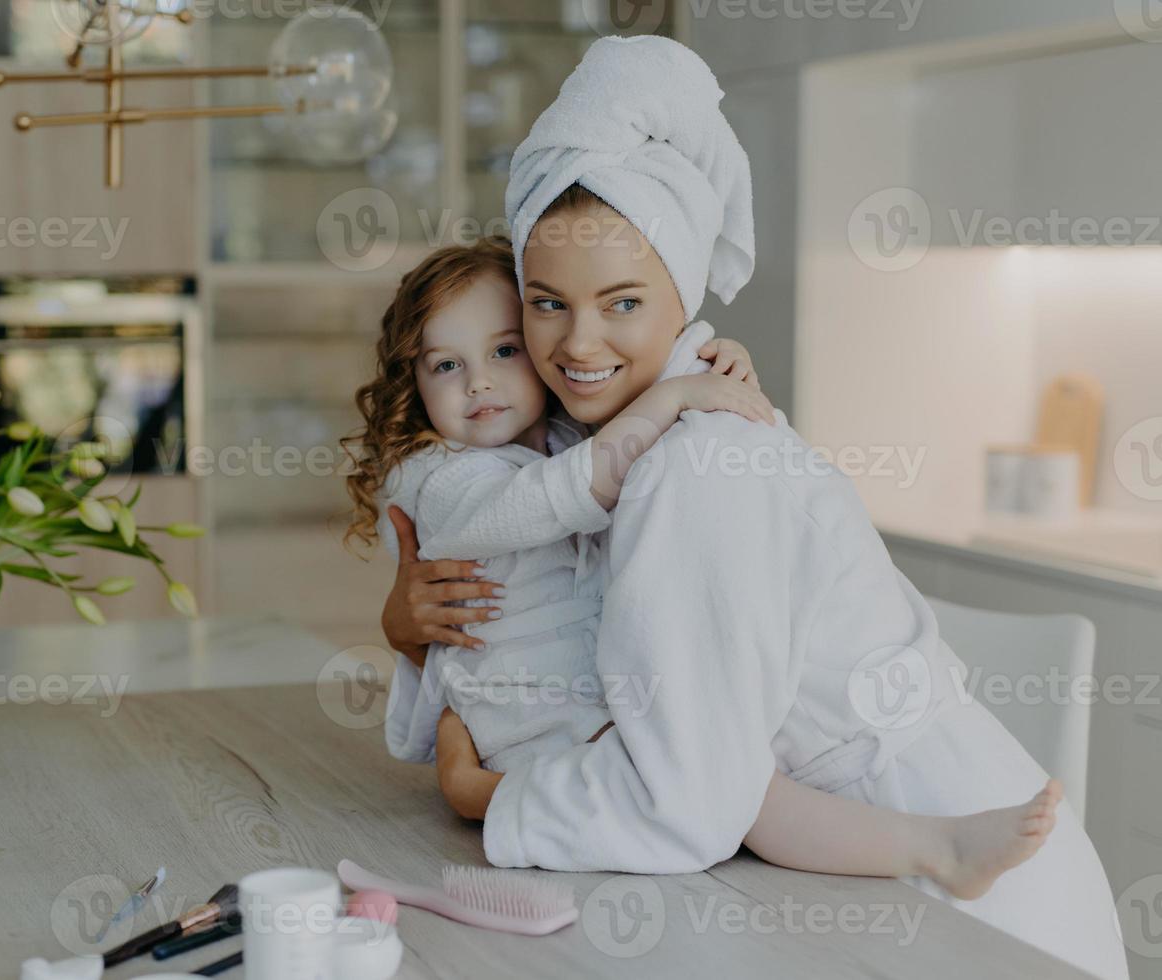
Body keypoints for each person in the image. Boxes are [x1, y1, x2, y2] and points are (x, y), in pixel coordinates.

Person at [377, 35, 1128, 980]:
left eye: (623, 302)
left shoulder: (693, 470)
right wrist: (410, 629)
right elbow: (532, 562)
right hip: (820, 876)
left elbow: (687, 805)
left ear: (682, 295)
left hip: (968, 915)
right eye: (545, 304)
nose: (577, 343)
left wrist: (486, 791)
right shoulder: (608, 437)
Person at [347, 235, 1066, 908]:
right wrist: (675, 397)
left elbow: (618, 438)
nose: (479, 384)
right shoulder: (435, 479)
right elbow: (550, 500)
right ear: (412, 382)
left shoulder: (570, 438)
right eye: (447, 365)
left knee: (742, 797)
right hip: (544, 717)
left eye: (504, 350)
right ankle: (935, 849)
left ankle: (937, 848)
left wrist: (706, 367)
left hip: (601, 709)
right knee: (735, 800)